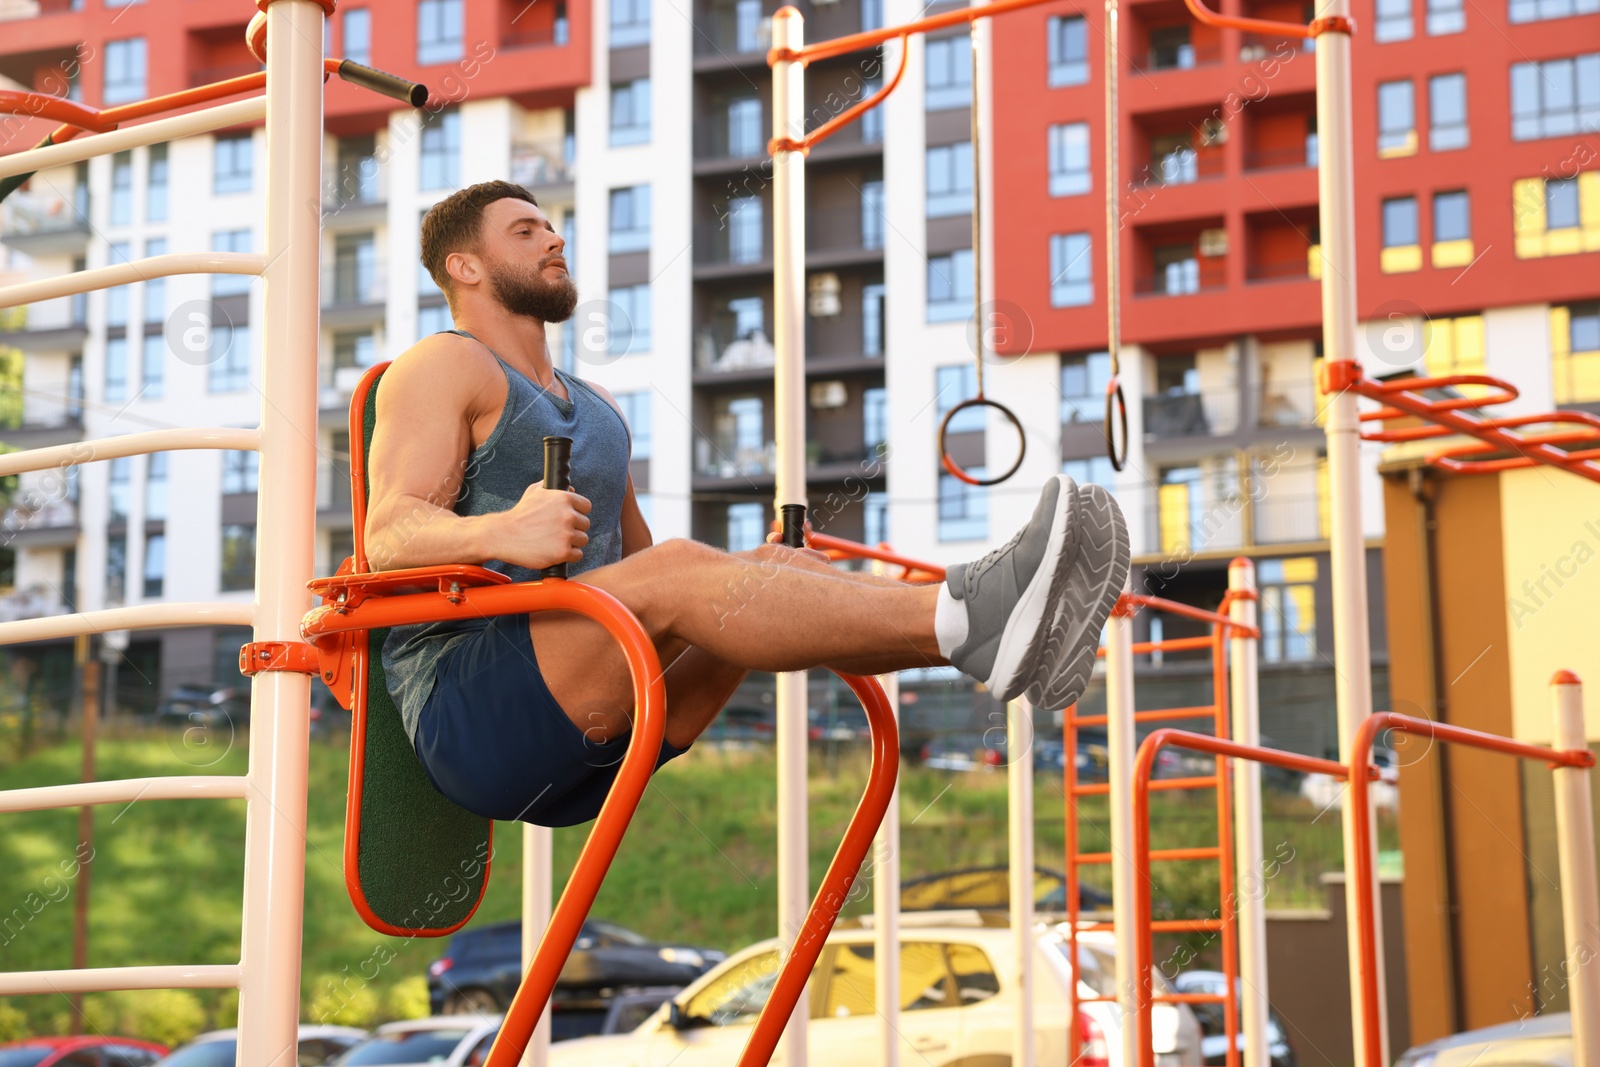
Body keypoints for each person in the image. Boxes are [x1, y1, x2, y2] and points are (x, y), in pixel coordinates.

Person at [367, 180, 1131, 828]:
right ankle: (976, 606)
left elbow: (642, 576)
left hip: (605, 720)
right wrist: (506, 527)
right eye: (526, 230)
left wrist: (772, 586)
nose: (554, 239)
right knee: (680, 573)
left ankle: (995, 638)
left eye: (552, 226)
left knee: (765, 563)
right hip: (471, 716)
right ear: (464, 266)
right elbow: (388, 532)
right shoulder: (444, 363)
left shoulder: (597, 407)